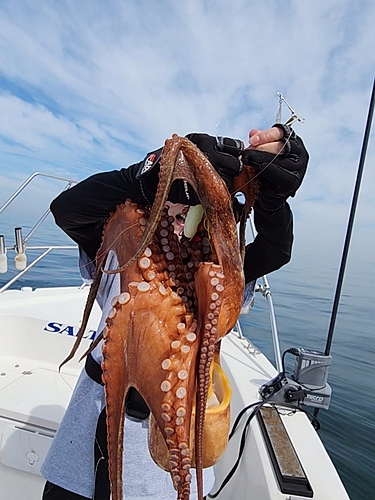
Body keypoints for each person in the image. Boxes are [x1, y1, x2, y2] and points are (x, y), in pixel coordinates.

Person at [40, 125, 309, 500]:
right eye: (176, 203)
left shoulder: (224, 275)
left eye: (205, 210)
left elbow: (277, 250)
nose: (184, 221)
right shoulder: (125, 255)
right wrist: (149, 172)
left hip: (166, 468)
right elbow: (67, 209)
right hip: (80, 458)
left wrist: (273, 202)